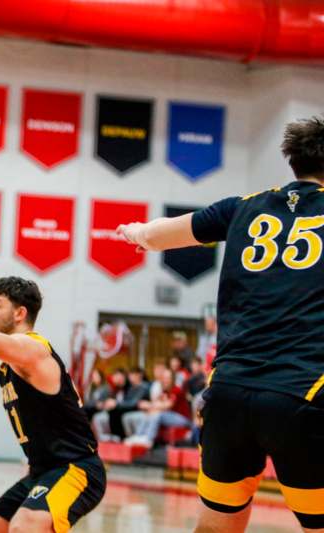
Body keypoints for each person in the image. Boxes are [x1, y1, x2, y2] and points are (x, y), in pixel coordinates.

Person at [117, 115, 324, 532]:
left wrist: (135, 231)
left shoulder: (244, 206)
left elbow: (159, 236)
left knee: (215, 526)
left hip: (228, 393)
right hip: (302, 394)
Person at [0, 277, 105, 533]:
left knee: (25, 527)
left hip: (76, 468)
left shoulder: (32, 349)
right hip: (42, 471)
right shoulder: (10, 364)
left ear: (19, 313)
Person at [124, 369, 190, 449]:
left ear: (173, 379)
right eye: (164, 378)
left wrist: (149, 405)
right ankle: (139, 436)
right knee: (149, 413)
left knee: (158, 414)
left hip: (183, 419)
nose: (165, 380)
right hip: (170, 416)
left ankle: (148, 439)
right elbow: (157, 403)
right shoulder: (165, 391)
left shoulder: (176, 390)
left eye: (168, 378)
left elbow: (167, 405)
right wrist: (150, 408)